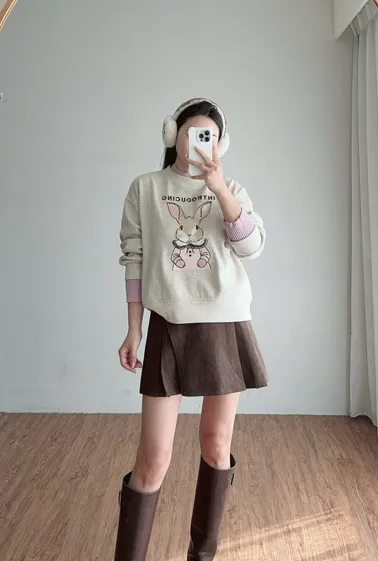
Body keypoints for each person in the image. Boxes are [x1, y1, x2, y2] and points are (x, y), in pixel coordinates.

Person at [114, 98, 268, 561]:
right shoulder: (146, 188)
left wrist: (219, 189)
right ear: (173, 135)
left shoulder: (231, 188)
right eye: (193, 133)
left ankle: (202, 556)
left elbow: (252, 247)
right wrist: (134, 330)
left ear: (221, 144)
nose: (202, 142)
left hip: (225, 323)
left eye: (211, 137)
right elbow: (134, 259)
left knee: (217, 444)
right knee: (153, 459)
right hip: (169, 323)